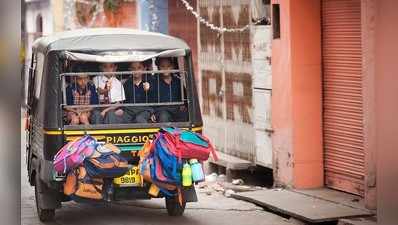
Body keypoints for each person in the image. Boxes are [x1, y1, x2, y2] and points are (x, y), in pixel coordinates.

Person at [151, 57, 187, 122]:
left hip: (176, 108)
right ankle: (166, 132)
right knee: (164, 116)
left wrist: (183, 105)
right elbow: (149, 98)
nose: (165, 68)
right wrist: (151, 112)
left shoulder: (177, 80)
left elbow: (184, 96)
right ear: (158, 67)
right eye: (162, 66)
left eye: (168, 66)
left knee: (184, 114)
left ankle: (180, 132)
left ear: (172, 67)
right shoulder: (153, 80)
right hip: (161, 110)